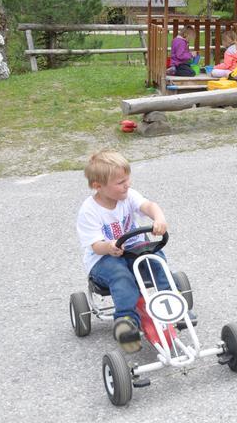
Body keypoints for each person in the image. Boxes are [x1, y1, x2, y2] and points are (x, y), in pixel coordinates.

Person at [76, 149, 176, 353]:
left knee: (158, 263)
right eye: (120, 182)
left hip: (135, 249)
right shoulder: (89, 211)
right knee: (122, 277)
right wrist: (109, 247)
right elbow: (96, 245)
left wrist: (158, 218)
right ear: (98, 186)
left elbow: (149, 206)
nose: (127, 185)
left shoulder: (128, 196)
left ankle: (172, 306)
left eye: (127, 179)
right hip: (104, 259)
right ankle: (126, 321)